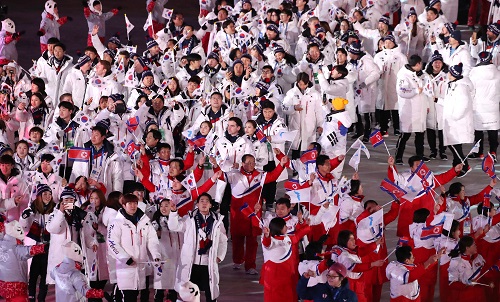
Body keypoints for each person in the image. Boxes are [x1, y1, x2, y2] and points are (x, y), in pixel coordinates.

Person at [214, 153, 288, 275]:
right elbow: (220, 176)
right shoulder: (234, 174)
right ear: (242, 163)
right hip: (238, 212)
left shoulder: (260, 175)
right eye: (248, 162)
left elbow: (273, 176)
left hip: (254, 212)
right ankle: (237, 261)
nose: (251, 165)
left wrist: (281, 164)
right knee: (237, 238)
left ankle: (250, 266)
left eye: (253, 162)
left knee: (252, 240)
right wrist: (215, 165)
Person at [168, 193, 228, 302]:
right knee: (189, 295)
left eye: (207, 201)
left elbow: (223, 240)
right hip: (192, 263)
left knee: (211, 293)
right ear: (197, 204)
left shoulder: (217, 221)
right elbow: (174, 227)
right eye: (201, 201)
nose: (204, 203)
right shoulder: (189, 219)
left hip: (208, 263)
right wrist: (173, 212)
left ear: (210, 205)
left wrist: (220, 256)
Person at [107, 193, 162, 302]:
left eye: (135, 203)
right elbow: (112, 242)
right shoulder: (116, 222)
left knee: (143, 295)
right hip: (126, 267)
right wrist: (125, 258)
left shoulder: (144, 221)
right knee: (128, 297)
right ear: (123, 205)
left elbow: (152, 240)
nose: (133, 206)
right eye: (129, 203)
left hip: (142, 266)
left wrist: (156, 255)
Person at [260, 216, 311, 302]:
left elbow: (298, 235)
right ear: (279, 228)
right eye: (285, 226)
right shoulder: (271, 241)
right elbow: (267, 243)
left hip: (287, 275)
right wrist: (266, 235)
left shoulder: (287, 238)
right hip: (274, 276)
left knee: (289, 295)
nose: (287, 227)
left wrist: (307, 225)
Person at [437, 63, 474, 177]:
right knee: (454, 144)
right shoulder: (453, 84)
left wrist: (454, 117)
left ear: (453, 74)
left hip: (456, 122)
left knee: (453, 145)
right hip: (451, 121)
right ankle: (456, 166)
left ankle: (464, 166)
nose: (447, 74)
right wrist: (437, 100)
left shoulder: (461, 87)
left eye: (449, 72)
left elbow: (464, 105)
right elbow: (449, 103)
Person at [0, 220, 47, 302]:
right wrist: (46, 247)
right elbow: (31, 250)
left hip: (4, 287)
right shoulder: (16, 249)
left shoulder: (1, 244)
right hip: (17, 289)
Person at [395, 55, 429, 165]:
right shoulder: (404, 75)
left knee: (420, 135)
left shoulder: (422, 74)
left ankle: (420, 156)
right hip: (409, 109)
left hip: (420, 108)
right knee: (405, 135)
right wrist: (415, 91)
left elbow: (426, 91)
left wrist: (426, 105)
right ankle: (398, 157)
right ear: (418, 64)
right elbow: (401, 91)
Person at [468, 51, 500, 160]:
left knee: (478, 130)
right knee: (493, 130)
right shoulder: (497, 72)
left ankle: (479, 152)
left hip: (479, 105)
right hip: (493, 106)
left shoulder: (474, 72)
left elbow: (471, 89)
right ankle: (493, 152)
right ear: (490, 59)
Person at [448, 236, 492, 302]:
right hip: (465, 297)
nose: (476, 246)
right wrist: (467, 284)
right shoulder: (455, 262)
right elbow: (452, 283)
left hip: (480, 296)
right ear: (467, 248)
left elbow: (485, 273)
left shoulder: (479, 257)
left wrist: (489, 282)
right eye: (474, 245)